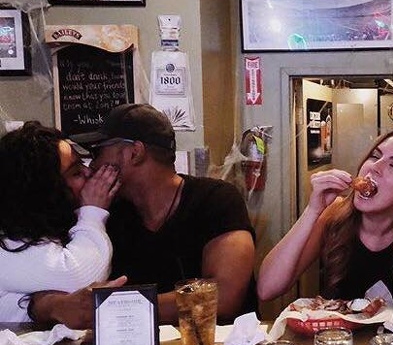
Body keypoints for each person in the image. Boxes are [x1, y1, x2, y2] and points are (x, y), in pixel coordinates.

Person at [29, 104, 258, 327]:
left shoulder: (216, 199)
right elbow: (45, 293)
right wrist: (58, 306)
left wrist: (116, 308)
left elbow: (223, 297)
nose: (92, 166)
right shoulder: (103, 212)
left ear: (134, 153)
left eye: (97, 152)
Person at [257, 126, 393, 303]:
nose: (374, 167)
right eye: (375, 156)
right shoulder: (334, 213)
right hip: (334, 331)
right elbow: (267, 289)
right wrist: (313, 210)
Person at [0, 122, 121, 323]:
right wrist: (92, 211)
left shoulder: (33, 223)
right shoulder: (8, 240)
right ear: (43, 190)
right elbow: (79, 279)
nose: (89, 173)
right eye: (75, 172)